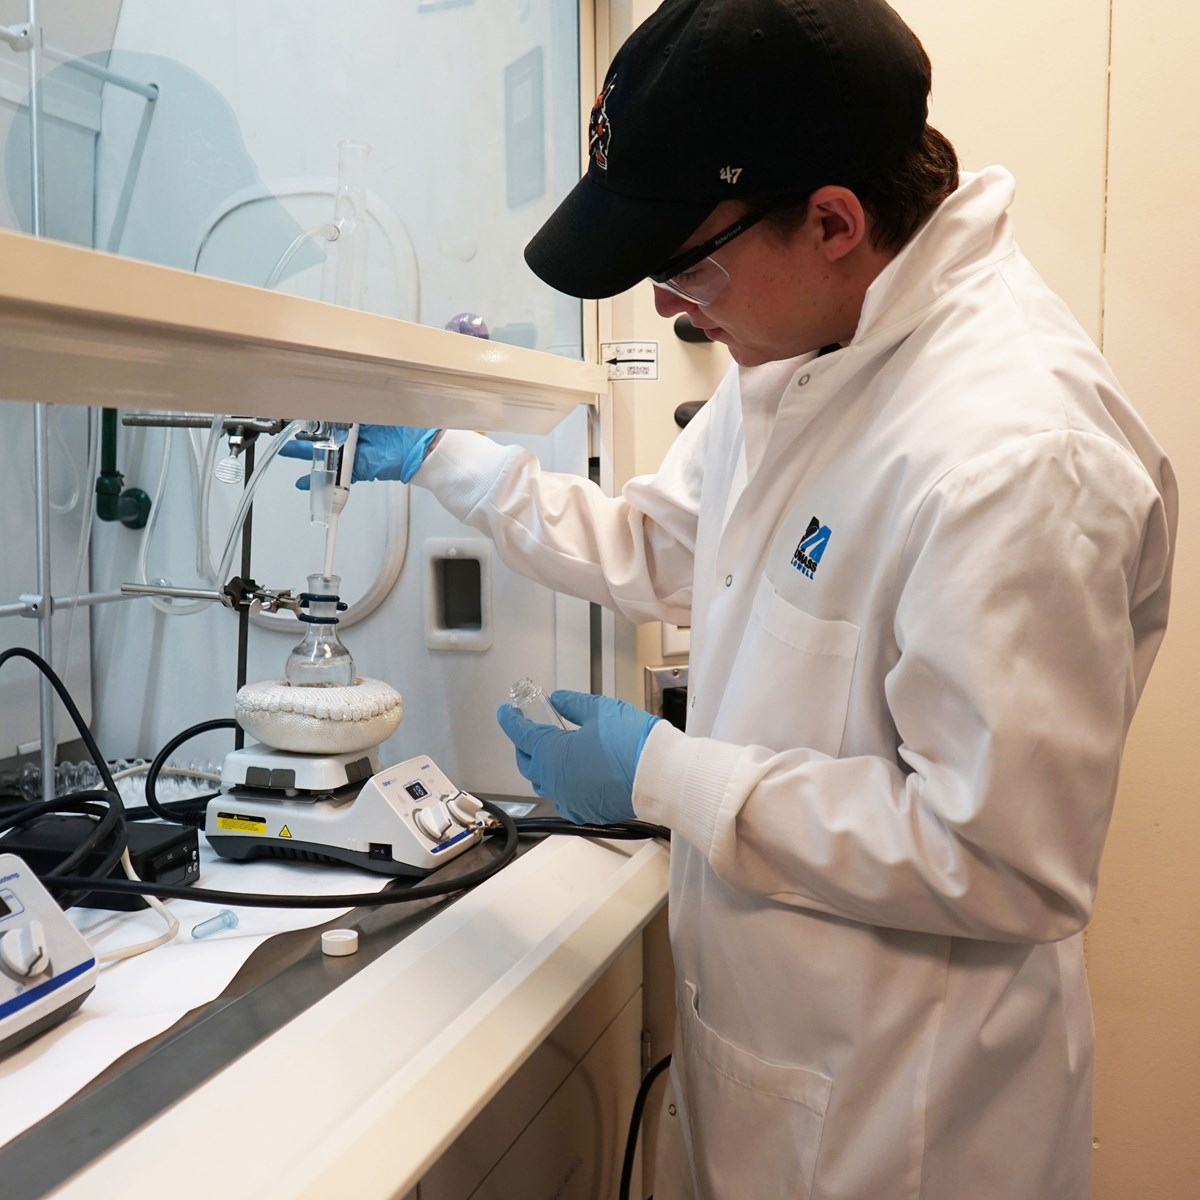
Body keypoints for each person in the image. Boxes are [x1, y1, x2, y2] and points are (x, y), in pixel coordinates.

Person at [300, 2, 1177, 1196]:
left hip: (912, 1119)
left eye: (684, 265)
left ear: (833, 220)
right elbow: (662, 548)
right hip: (775, 1069)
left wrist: (663, 775)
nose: (666, 308)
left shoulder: (1016, 452)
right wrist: (448, 459)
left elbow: (1002, 857)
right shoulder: (808, 359)